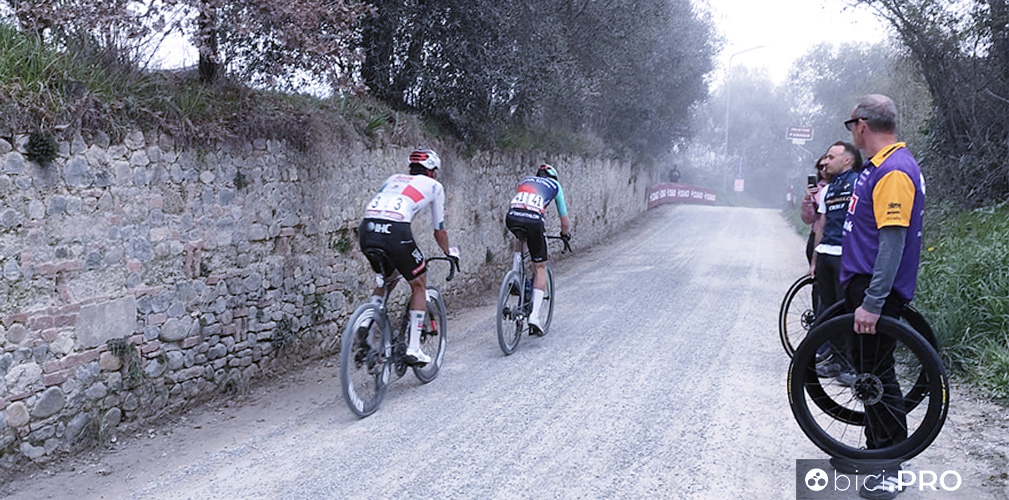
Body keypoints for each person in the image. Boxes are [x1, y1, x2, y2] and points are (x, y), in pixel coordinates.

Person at [840, 95, 925, 500]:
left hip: (878, 290)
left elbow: (892, 243)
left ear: (861, 125)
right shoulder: (880, 167)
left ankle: (892, 466)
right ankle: (878, 452)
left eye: (850, 124)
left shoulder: (893, 171)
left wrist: (873, 302)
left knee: (877, 375)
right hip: (865, 284)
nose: (851, 131)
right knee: (868, 374)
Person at [358, 148, 459, 365]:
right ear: (432, 171)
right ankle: (414, 348)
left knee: (388, 278)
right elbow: (439, 230)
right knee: (419, 283)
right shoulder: (434, 186)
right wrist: (449, 252)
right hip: (395, 231)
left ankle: (365, 324)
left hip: (367, 229)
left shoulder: (393, 179)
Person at [810, 142, 862, 386]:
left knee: (848, 310)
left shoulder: (859, 184)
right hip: (826, 253)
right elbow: (821, 224)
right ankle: (838, 360)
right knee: (830, 310)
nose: (826, 162)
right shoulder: (829, 189)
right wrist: (815, 260)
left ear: (847, 160)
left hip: (846, 255)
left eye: (831, 157)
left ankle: (854, 365)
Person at [505, 164, 571, 336]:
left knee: (521, 238)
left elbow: (523, 203)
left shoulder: (525, 180)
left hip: (512, 216)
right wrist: (565, 235)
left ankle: (515, 275)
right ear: (553, 177)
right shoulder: (555, 186)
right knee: (540, 266)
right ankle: (534, 317)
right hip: (534, 220)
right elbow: (564, 221)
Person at [801, 157, 830, 265]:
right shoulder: (817, 190)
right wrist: (808, 198)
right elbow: (808, 219)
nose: (824, 169)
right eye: (820, 167)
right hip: (817, 235)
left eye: (826, 166)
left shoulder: (848, 186)